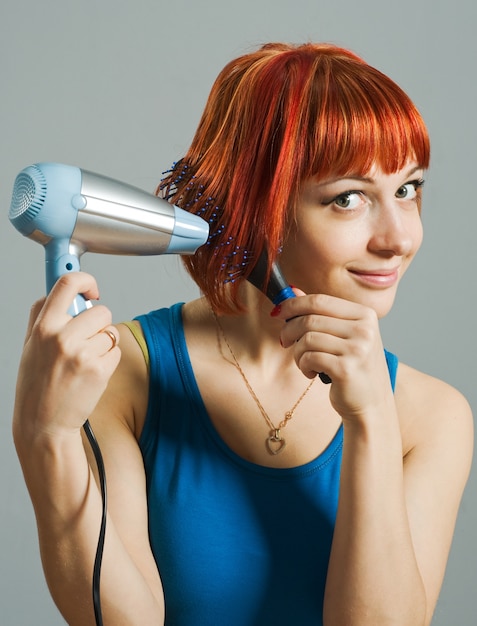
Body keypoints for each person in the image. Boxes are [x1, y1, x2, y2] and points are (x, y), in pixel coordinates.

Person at [12, 42, 473, 626]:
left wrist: (372, 420)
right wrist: (45, 437)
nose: (399, 238)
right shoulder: (123, 372)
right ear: (260, 208)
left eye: (408, 189)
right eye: (348, 199)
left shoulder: (431, 417)